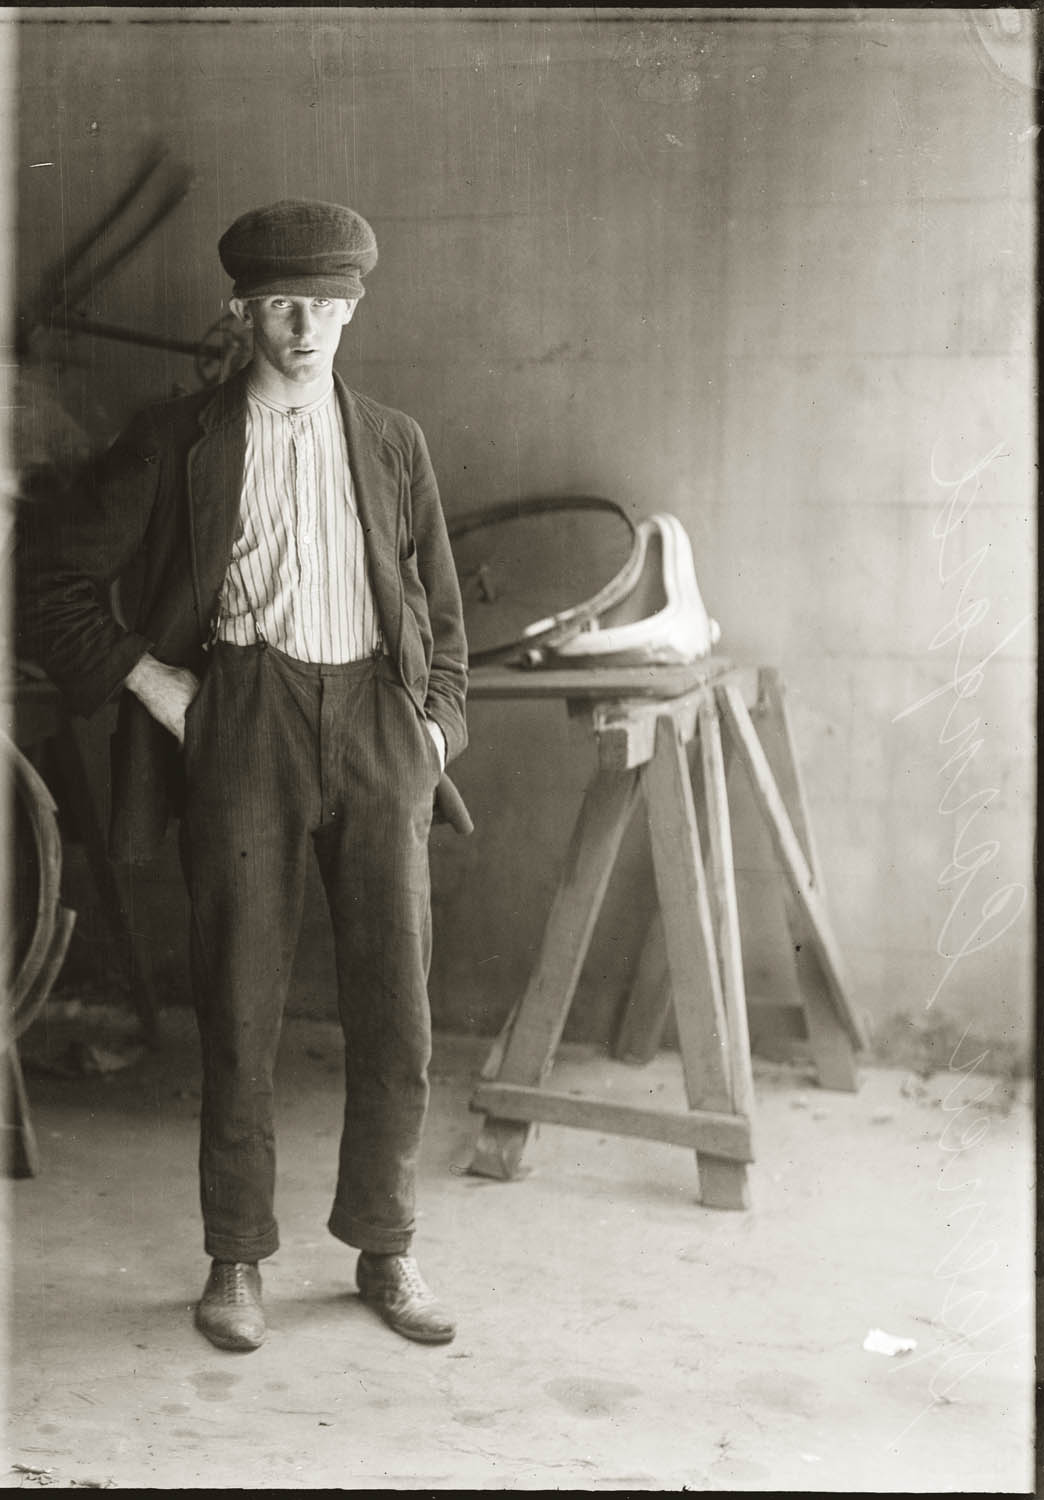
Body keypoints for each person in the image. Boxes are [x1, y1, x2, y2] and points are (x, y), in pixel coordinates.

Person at [18, 199, 469, 1353]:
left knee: (398, 1011)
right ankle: (236, 1256)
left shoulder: (394, 441)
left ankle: (386, 1244)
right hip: (243, 721)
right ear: (241, 312)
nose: (304, 329)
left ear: (354, 311)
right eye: (279, 306)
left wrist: (435, 728)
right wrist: (158, 685)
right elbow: (48, 580)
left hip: (377, 725)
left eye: (325, 305)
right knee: (238, 1004)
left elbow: (439, 606)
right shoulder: (178, 438)